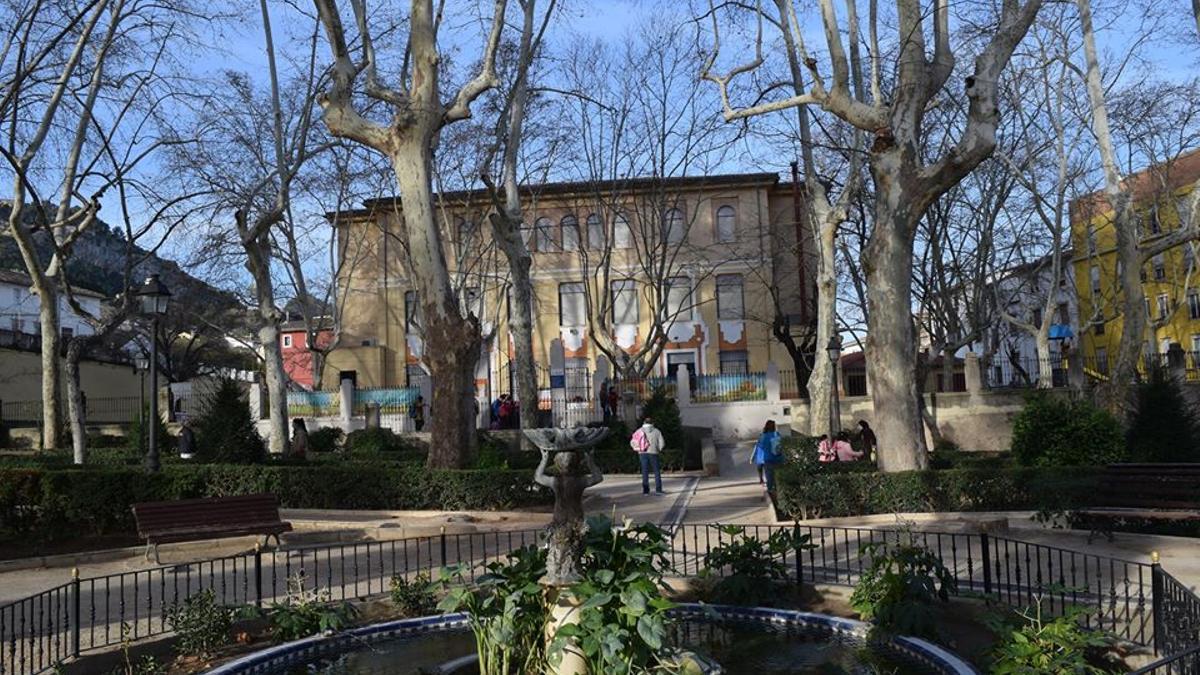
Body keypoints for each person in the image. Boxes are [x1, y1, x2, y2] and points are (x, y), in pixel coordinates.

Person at [630, 416, 665, 495]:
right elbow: (662, 443)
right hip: (653, 453)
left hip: (642, 453)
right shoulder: (657, 431)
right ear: (652, 423)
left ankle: (646, 491)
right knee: (656, 472)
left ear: (644, 422)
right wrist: (658, 449)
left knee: (645, 472)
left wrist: (637, 448)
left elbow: (632, 442)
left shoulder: (639, 431)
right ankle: (658, 490)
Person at [751, 420, 783, 490]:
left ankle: (771, 491)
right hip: (778, 458)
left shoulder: (763, 436)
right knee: (779, 477)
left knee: (769, 477)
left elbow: (760, 446)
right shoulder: (777, 434)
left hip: (768, 459)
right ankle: (779, 492)